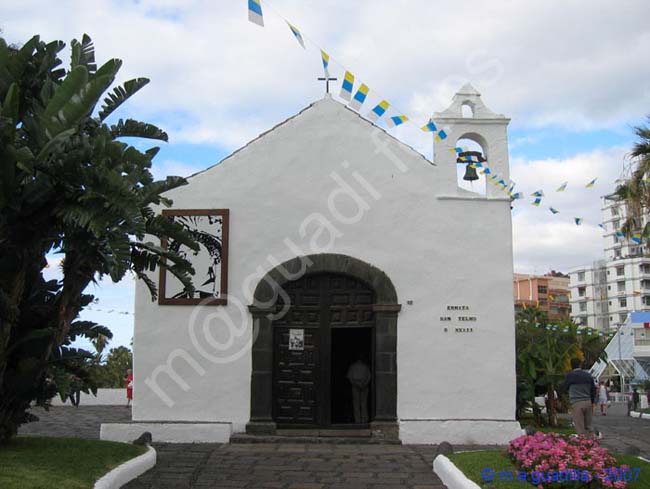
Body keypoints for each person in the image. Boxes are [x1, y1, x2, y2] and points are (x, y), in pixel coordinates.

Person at [561, 358, 597, 437]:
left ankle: (583, 445)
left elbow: (563, 388)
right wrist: (592, 401)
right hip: (588, 402)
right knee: (588, 426)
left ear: (571, 365)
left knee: (580, 427)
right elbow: (593, 390)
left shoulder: (570, 376)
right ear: (580, 364)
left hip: (576, 403)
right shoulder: (588, 375)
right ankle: (592, 443)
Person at [346, 357, 371, 424]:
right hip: (364, 385)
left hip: (355, 385)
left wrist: (355, 384)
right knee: (364, 403)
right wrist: (364, 384)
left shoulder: (352, 366)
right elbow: (369, 377)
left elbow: (350, 377)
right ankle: (364, 420)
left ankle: (357, 420)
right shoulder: (365, 366)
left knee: (356, 404)